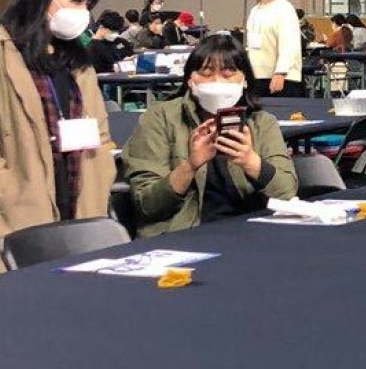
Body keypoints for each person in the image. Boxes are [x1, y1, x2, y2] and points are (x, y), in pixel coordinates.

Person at [0, 0, 117, 274]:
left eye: (88, 3)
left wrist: (101, 175)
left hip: (80, 204)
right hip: (16, 212)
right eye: (76, 0)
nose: (83, 12)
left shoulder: (78, 61)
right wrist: (8, 192)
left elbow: (100, 133)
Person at [121, 35, 296, 237]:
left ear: (245, 79)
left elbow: (287, 193)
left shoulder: (262, 123)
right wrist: (190, 165)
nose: (217, 81)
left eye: (228, 72)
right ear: (190, 79)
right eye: (206, 72)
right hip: (184, 237)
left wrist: (251, 162)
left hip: (251, 234)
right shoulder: (160, 119)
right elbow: (146, 205)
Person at [245, 0, 303, 97]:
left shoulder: (284, 9)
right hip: (257, 76)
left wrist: (280, 72)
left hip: (281, 78)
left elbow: (289, 44)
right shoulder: (255, 10)